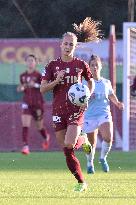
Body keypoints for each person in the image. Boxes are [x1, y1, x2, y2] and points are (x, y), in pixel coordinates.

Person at [40, 17, 102, 192]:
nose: (68, 47)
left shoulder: (81, 65)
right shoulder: (52, 66)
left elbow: (90, 82)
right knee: (66, 149)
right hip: (59, 110)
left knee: (68, 143)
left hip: (76, 109)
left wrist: (88, 94)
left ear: (75, 47)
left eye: (71, 45)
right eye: (66, 44)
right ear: (61, 44)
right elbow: (43, 89)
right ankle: (82, 147)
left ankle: (82, 184)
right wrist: (56, 81)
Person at [82, 55, 124, 174]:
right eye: (92, 65)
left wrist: (117, 103)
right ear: (89, 68)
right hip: (89, 116)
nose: (95, 67)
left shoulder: (106, 82)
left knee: (108, 137)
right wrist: (87, 97)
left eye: (97, 65)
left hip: (103, 113)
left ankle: (103, 158)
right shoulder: (85, 83)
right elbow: (80, 99)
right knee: (90, 144)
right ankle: (90, 163)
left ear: (100, 66)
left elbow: (111, 95)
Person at [17, 54, 50, 155]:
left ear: (35, 63)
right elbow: (21, 87)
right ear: (26, 62)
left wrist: (35, 85)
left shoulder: (38, 75)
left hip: (38, 103)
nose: (30, 62)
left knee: (39, 126)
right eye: (28, 60)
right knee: (25, 124)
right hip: (27, 102)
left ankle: (46, 137)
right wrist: (21, 88)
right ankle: (25, 146)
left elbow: (44, 87)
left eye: (32, 60)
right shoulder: (22, 76)